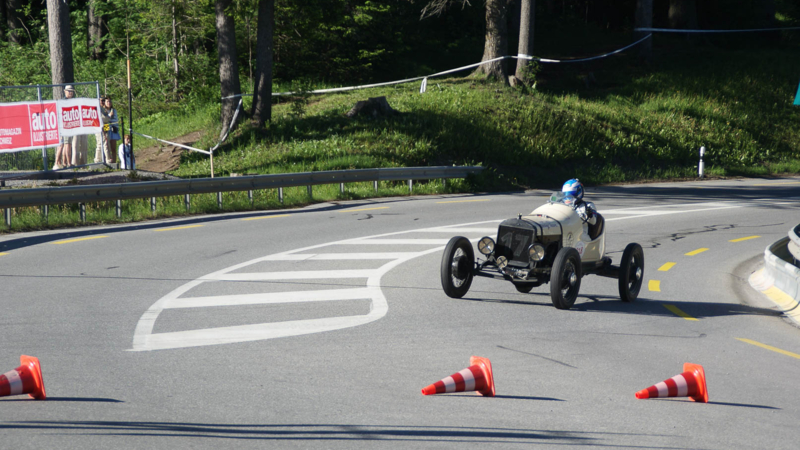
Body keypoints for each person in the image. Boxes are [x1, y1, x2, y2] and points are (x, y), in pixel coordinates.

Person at [53, 85, 75, 169]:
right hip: (63, 126)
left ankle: (64, 162)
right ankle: (61, 163)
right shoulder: (63, 102)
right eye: (68, 91)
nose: (70, 92)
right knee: (64, 145)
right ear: (65, 91)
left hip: (69, 126)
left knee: (65, 144)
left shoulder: (72, 102)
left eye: (71, 91)